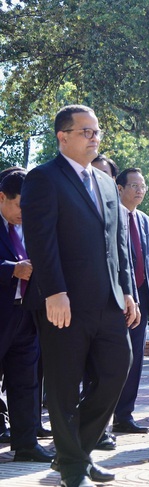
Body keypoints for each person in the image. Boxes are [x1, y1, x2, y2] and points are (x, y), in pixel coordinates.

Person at [21, 104, 137, 487]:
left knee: (116, 370)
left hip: (108, 302)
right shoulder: (43, 178)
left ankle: (74, 451)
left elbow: (117, 243)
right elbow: (41, 240)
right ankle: (73, 467)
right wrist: (54, 291)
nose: (94, 137)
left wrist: (128, 291)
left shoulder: (106, 183)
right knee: (64, 385)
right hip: (63, 304)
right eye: (85, 131)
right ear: (63, 137)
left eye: (97, 131)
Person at [0, 168, 54, 463]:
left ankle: (26, 443)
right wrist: (11, 269)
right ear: (2, 197)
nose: (25, 211)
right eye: (20, 204)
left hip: (26, 316)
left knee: (26, 382)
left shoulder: (33, 225)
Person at [112, 168, 149, 434]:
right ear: (119, 188)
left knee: (135, 360)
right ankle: (99, 418)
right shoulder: (109, 217)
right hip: (115, 298)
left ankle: (124, 415)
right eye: (133, 185)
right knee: (111, 359)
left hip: (142, 298)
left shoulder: (145, 220)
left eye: (142, 185)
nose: (139, 190)